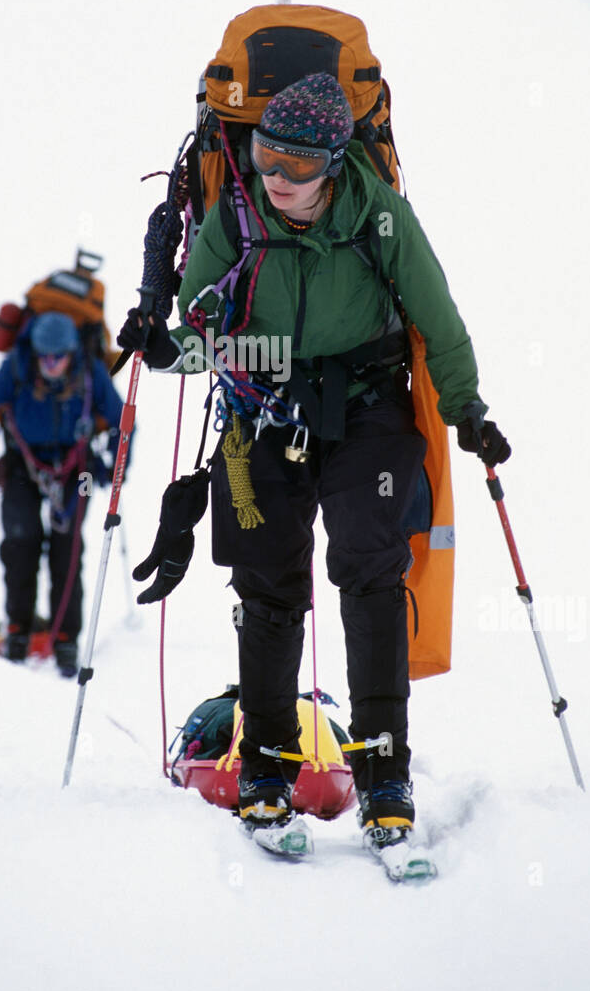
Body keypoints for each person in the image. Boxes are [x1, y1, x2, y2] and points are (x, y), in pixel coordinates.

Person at [118, 72, 510, 850]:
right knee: (267, 583)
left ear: (333, 164)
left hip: (366, 408)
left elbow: (438, 317)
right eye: (265, 156)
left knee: (368, 570)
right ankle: (265, 764)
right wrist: (164, 348)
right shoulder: (235, 217)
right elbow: (201, 329)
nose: (275, 178)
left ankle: (383, 770)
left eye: (295, 166)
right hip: (258, 412)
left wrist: (466, 410)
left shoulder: (382, 220)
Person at [0, 311, 125, 676]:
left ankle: (66, 640)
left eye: (58, 356)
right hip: (21, 466)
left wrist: (118, 468)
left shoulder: (90, 372)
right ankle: (17, 629)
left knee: (69, 546)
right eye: (45, 355)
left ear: (71, 353)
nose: (51, 363)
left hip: (81, 471)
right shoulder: (17, 366)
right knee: (19, 542)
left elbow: (124, 420)